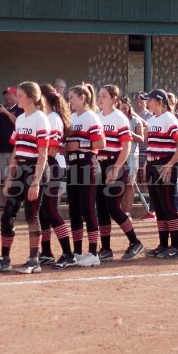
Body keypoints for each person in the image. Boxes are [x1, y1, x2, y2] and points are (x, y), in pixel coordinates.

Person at [0, 81, 51, 275]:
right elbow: (16, 149)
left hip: (35, 170)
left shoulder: (41, 118)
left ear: (31, 98)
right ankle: (4, 259)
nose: (17, 98)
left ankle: (34, 260)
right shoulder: (21, 119)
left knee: (31, 216)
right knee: (7, 214)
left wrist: (36, 182)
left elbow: (43, 153)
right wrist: (10, 176)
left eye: (20, 95)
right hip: (21, 170)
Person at [94, 84, 144, 262]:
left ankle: (135, 242)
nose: (100, 98)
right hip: (99, 165)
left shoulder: (119, 118)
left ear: (114, 98)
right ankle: (106, 248)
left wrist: (115, 168)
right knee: (101, 209)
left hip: (115, 164)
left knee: (113, 208)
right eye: (99, 95)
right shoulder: (98, 116)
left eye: (104, 95)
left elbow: (126, 146)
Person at [143, 88, 178, 258]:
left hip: (164, 164)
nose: (148, 103)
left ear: (159, 101)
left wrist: (170, 164)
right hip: (152, 164)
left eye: (150, 100)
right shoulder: (153, 119)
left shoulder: (169, 118)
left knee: (169, 207)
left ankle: (175, 247)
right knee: (159, 207)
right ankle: (163, 245)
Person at [37, 82, 77, 268]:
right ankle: (46, 252)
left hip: (53, 165)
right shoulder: (47, 116)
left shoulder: (53, 118)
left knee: (51, 210)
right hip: (48, 164)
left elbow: (52, 150)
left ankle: (68, 253)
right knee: (43, 211)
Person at [65, 84, 104, 268]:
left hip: (87, 164)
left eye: (72, 97)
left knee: (88, 209)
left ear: (82, 97)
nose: (69, 101)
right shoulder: (73, 117)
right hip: (73, 165)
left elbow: (101, 143)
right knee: (74, 209)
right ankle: (78, 251)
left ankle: (93, 253)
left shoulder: (91, 116)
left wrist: (80, 145)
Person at [0, 86, 23, 209]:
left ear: (16, 96)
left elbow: (18, 122)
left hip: (14, 149)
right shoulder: (1, 109)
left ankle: (13, 203)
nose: (7, 97)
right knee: (2, 177)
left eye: (10, 94)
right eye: (6, 95)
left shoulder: (20, 109)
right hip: (1, 148)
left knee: (13, 177)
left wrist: (6, 112)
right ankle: (4, 202)